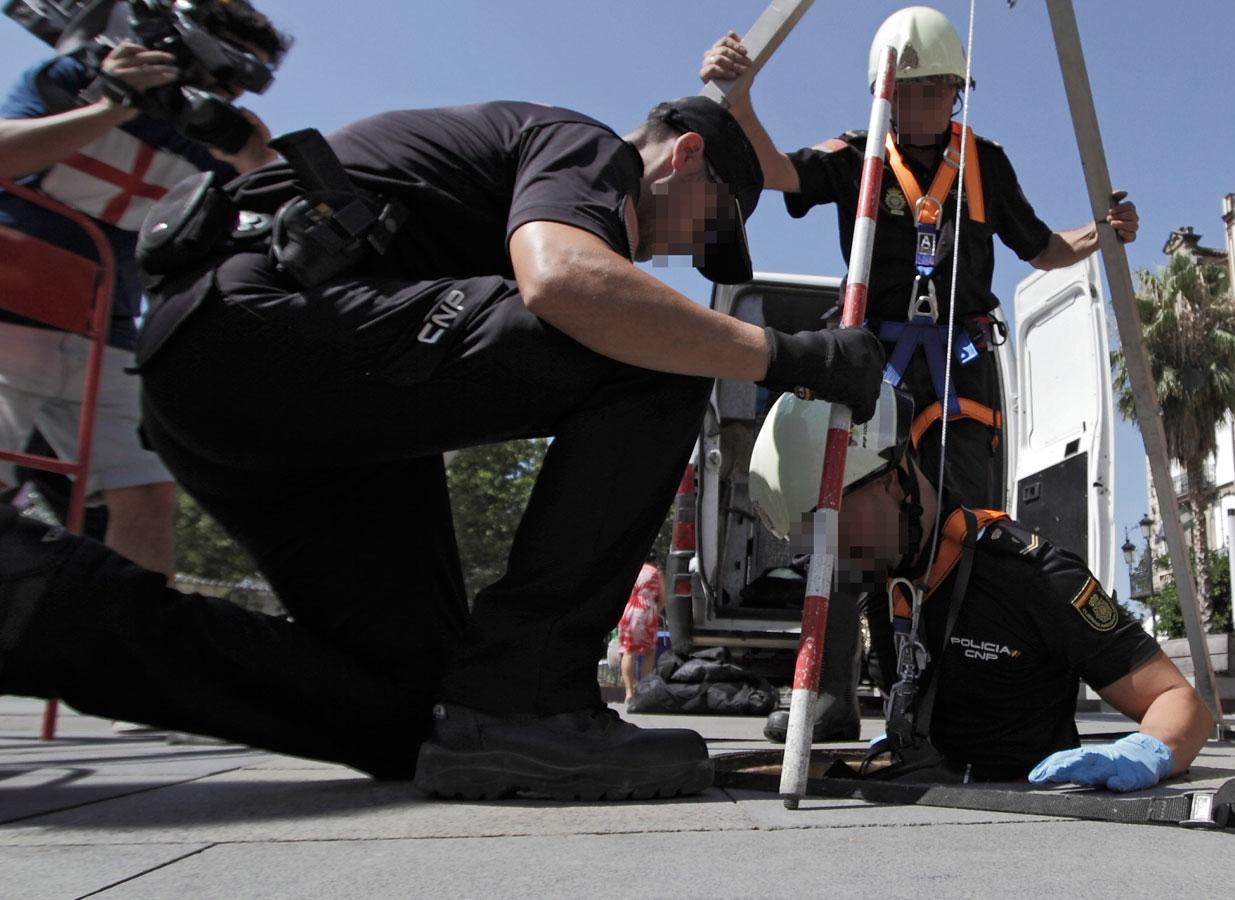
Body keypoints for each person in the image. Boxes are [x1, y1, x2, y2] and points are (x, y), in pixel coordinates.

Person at [0, 94, 884, 802]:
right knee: (658, 350)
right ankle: (531, 695)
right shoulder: (582, 148)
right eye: (710, 222)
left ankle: (38, 600)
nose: (692, 245)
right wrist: (789, 355)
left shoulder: (548, 181)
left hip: (251, 385)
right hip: (259, 327)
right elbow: (561, 279)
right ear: (682, 155)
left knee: (405, 708)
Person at [701, 6, 1141, 743]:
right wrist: (741, 97)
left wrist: (1103, 233)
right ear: (884, 91)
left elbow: (1041, 248)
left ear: (957, 92)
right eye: (909, 90)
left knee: (963, 524)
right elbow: (777, 173)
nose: (924, 104)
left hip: (961, 365)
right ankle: (832, 695)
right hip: (873, 362)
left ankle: (955, 689)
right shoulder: (854, 154)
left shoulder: (985, 162)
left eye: (939, 89)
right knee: (843, 516)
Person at [748, 383, 1211, 787]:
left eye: (834, 528)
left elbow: (1178, 700)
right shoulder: (883, 577)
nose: (827, 556)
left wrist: (1147, 753)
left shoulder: (1031, 574)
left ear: (893, 483)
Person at [0, 1, 287, 582]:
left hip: (106, 329)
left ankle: (133, 653)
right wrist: (112, 104)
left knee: (147, 497)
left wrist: (257, 161)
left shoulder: (215, 139)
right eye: (226, 71)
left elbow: (280, 229)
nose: (232, 91)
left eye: (246, 82)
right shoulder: (81, 77)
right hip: (11, 304)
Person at [618, 561, 666, 702]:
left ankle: (629, 692)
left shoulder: (628, 568)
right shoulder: (655, 573)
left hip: (628, 610)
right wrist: (655, 610)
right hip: (647, 611)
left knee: (628, 650)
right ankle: (642, 690)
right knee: (649, 652)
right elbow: (662, 598)